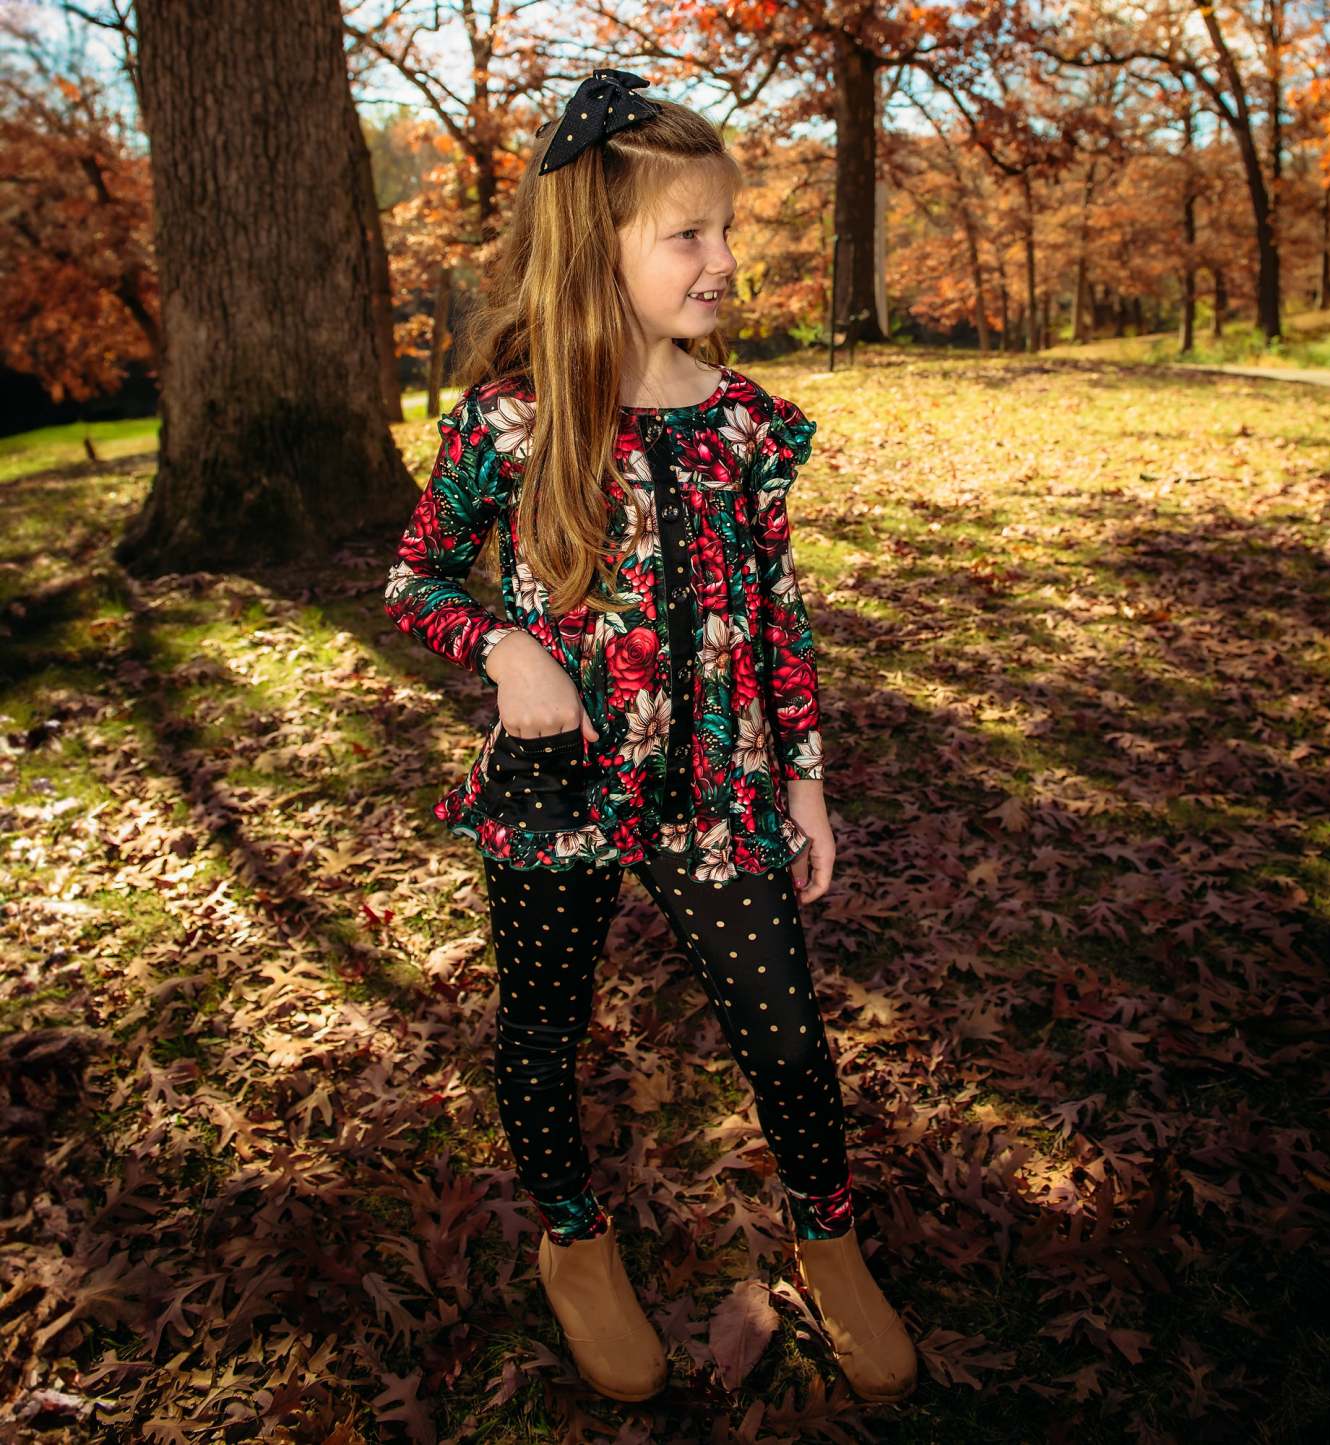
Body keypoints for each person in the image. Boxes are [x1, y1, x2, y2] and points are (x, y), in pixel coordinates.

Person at [382, 67, 916, 1406]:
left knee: (785, 1032)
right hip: (557, 786)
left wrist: (803, 780)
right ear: (597, 249)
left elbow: (777, 616)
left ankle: (829, 1239)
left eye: (726, 229)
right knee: (542, 1030)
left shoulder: (739, 425)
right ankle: (574, 1242)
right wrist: (501, 646)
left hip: (713, 785)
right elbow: (416, 576)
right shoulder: (509, 421)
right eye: (689, 234)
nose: (723, 259)